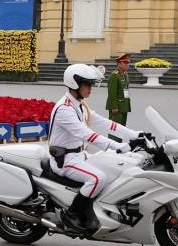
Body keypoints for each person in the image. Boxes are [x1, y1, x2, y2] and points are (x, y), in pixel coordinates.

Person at [49, 62, 139, 234]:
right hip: (65, 160)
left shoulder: (79, 104)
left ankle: (96, 208)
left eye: (91, 84)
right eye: (87, 84)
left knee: (114, 167)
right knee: (97, 178)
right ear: (75, 84)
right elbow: (86, 134)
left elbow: (105, 123)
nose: (90, 88)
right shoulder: (64, 109)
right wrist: (117, 146)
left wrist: (134, 135)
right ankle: (73, 213)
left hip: (78, 156)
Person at [106, 53, 132, 127]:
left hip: (124, 105)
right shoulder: (114, 76)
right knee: (115, 128)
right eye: (125, 62)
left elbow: (126, 89)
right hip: (117, 107)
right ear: (119, 64)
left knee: (122, 129)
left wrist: (127, 102)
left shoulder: (125, 75)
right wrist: (114, 107)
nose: (127, 64)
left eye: (128, 63)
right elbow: (112, 93)